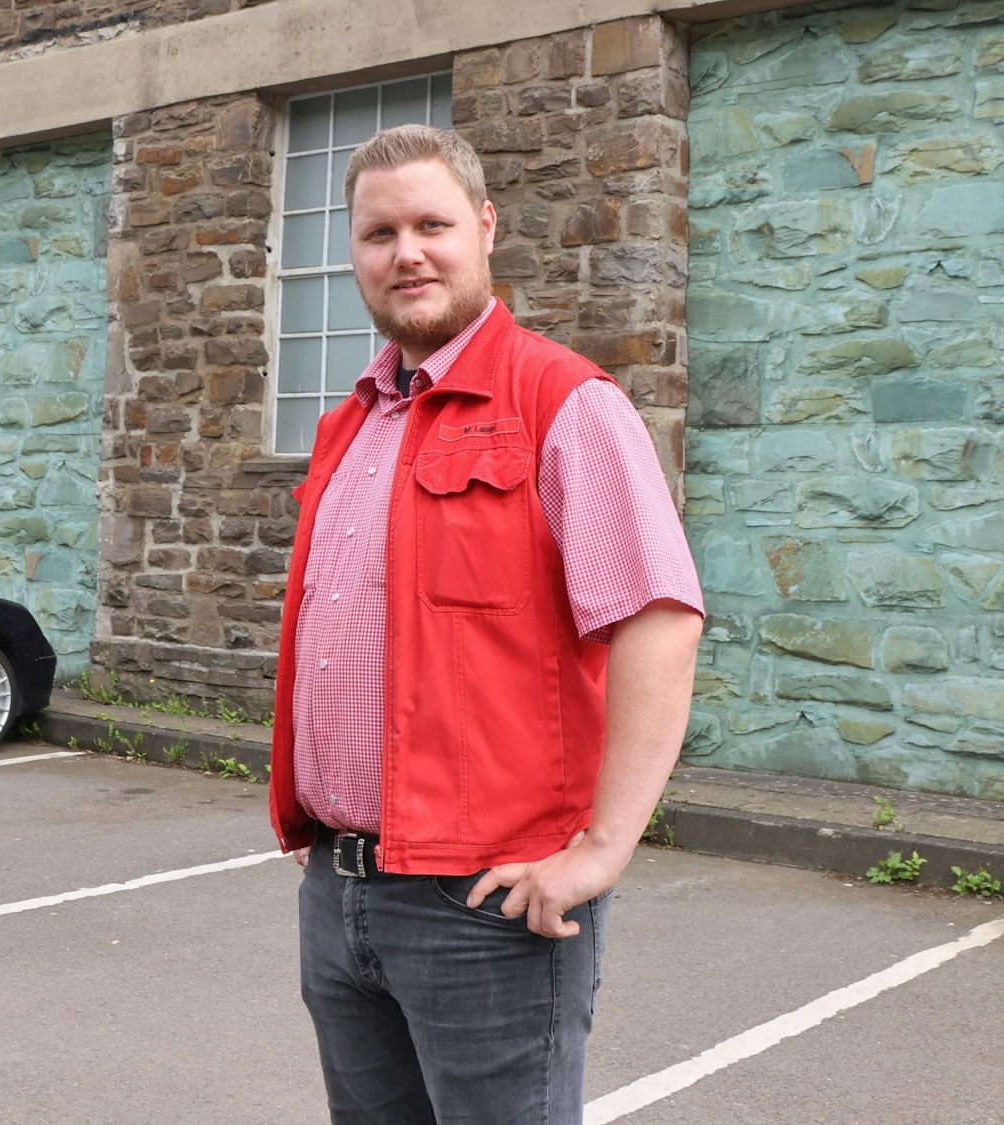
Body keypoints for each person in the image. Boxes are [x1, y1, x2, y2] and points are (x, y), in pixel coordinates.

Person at [267, 123, 705, 1124]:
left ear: (485, 228)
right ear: (353, 250)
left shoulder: (561, 403)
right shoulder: (352, 422)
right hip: (339, 887)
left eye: (432, 225)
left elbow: (659, 622)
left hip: (485, 906)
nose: (406, 253)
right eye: (379, 233)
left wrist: (601, 847)